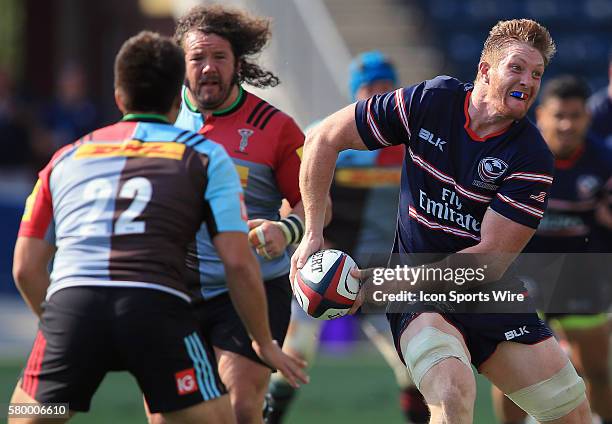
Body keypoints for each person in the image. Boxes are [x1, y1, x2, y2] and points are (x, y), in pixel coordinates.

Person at [292, 18, 593, 423]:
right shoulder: (432, 101)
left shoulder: (531, 155)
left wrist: (381, 282)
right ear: (485, 70)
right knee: (452, 394)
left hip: (487, 293)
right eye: (517, 68)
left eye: (537, 73)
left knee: (570, 413)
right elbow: (324, 138)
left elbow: (487, 262)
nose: (529, 80)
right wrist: (312, 233)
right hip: (420, 298)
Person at [8, 31, 305, 424]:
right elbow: (238, 262)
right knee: (219, 419)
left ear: (118, 98)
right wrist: (264, 342)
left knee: (31, 415)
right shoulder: (203, 156)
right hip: (156, 304)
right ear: (175, 101)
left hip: (72, 303)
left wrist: (59, 327)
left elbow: (25, 268)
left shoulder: (66, 157)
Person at [161, 5, 326, 423]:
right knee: (168, 415)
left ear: (238, 64)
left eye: (219, 57)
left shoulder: (275, 127)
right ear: (182, 63)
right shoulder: (159, 119)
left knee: (238, 407)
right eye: (197, 58)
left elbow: (317, 201)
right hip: (176, 288)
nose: (208, 68)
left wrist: (286, 229)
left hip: (253, 287)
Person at [266, 51, 428, 424]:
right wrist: (309, 238)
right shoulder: (327, 135)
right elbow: (295, 200)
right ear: (355, 91)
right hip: (325, 267)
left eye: (386, 85)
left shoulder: (413, 143)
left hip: (382, 272)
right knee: (295, 352)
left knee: (410, 362)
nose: (378, 92)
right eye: (370, 86)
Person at [492, 76, 612, 424]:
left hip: (582, 272)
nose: (566, 124)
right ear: (541, 115)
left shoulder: (602, 162)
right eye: (559, 115)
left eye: (576, 116)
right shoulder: (516, 153)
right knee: (510, 372)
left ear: (587, 119)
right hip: (523, 271)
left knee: (598, 371)